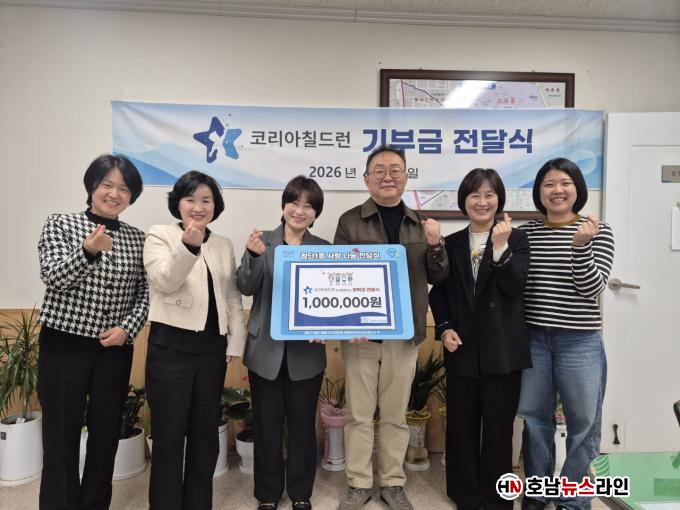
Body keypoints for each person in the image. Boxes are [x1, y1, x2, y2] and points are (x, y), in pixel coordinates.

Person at [334, 145, 448, 510]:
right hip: (361, 336)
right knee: (359, 415)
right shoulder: (349, 221)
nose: (388, 176)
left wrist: (436, 244)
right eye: (379, 170)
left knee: (396, 415)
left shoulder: (421, 223)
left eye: (395, 170)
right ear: (366, 179)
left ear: (406, 177)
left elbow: (439, 276)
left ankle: (393, 483)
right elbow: (338, 276)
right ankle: (358, 483)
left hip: (405, 334)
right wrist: (346, 324)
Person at [37, 154, 148, 510]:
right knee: (60, 434)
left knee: (105, 434)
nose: (114, 194)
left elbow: (146, 294)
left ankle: (96, 503)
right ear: (92, 187)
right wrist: (87, 250)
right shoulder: (61, 224)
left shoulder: (138, 239)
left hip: (114, 349)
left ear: (132, 196)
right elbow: (53, 277)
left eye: (124, 189)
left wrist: (128, 329)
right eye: (107, 185)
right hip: (63, 345)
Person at [428, 168, 531, 510]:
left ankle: (497, 498)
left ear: (499, 199)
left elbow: (515, 287)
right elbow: (439, 293)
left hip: (503, 351)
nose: (482, 202)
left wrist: (500, 248)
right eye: (475, 195)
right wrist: (444, 328)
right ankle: (465, 495)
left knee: (499, 429)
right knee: (461, 427)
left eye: (489, 195)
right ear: (464, 201)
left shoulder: (516, 239)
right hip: (463, 347)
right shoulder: (452, 242)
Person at [143, 170, 245, 510]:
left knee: (205, 436)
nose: (198, 207)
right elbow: (163, 282)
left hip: (212, 351)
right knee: (169, 437)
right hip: (170, 349)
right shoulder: (160, 235)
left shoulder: (224, 244)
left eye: (206, 200)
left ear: (216, 205)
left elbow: (232, 296)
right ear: (178, 203)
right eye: (190, 199)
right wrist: (188, 246)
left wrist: (235, 342)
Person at [517, 158, 614, 510]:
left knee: (583, 423)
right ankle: (538, 492)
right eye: (549, 184)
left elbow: (592, 288)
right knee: (534, 420)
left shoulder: (597, 230)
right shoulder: (526, 233)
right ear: (539, 192)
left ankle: (573, 499)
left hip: (580, 341)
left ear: (577, 189)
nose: (557, 190)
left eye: (565, 183)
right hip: (533, 338)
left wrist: (580, 246)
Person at [237, 175, 329, 510]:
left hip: (307, 353)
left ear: (316, 213)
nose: (300, 211)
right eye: (294, 202)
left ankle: (301, 493)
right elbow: (245, 286)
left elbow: (331, 300)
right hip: (266, 351)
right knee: (267, 427)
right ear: (284, 205)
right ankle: (268, 494)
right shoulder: (262, 241)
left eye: (308, 206)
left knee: (303, 427)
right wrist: (252, 255)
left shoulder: (324, 249)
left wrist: (329, 327)